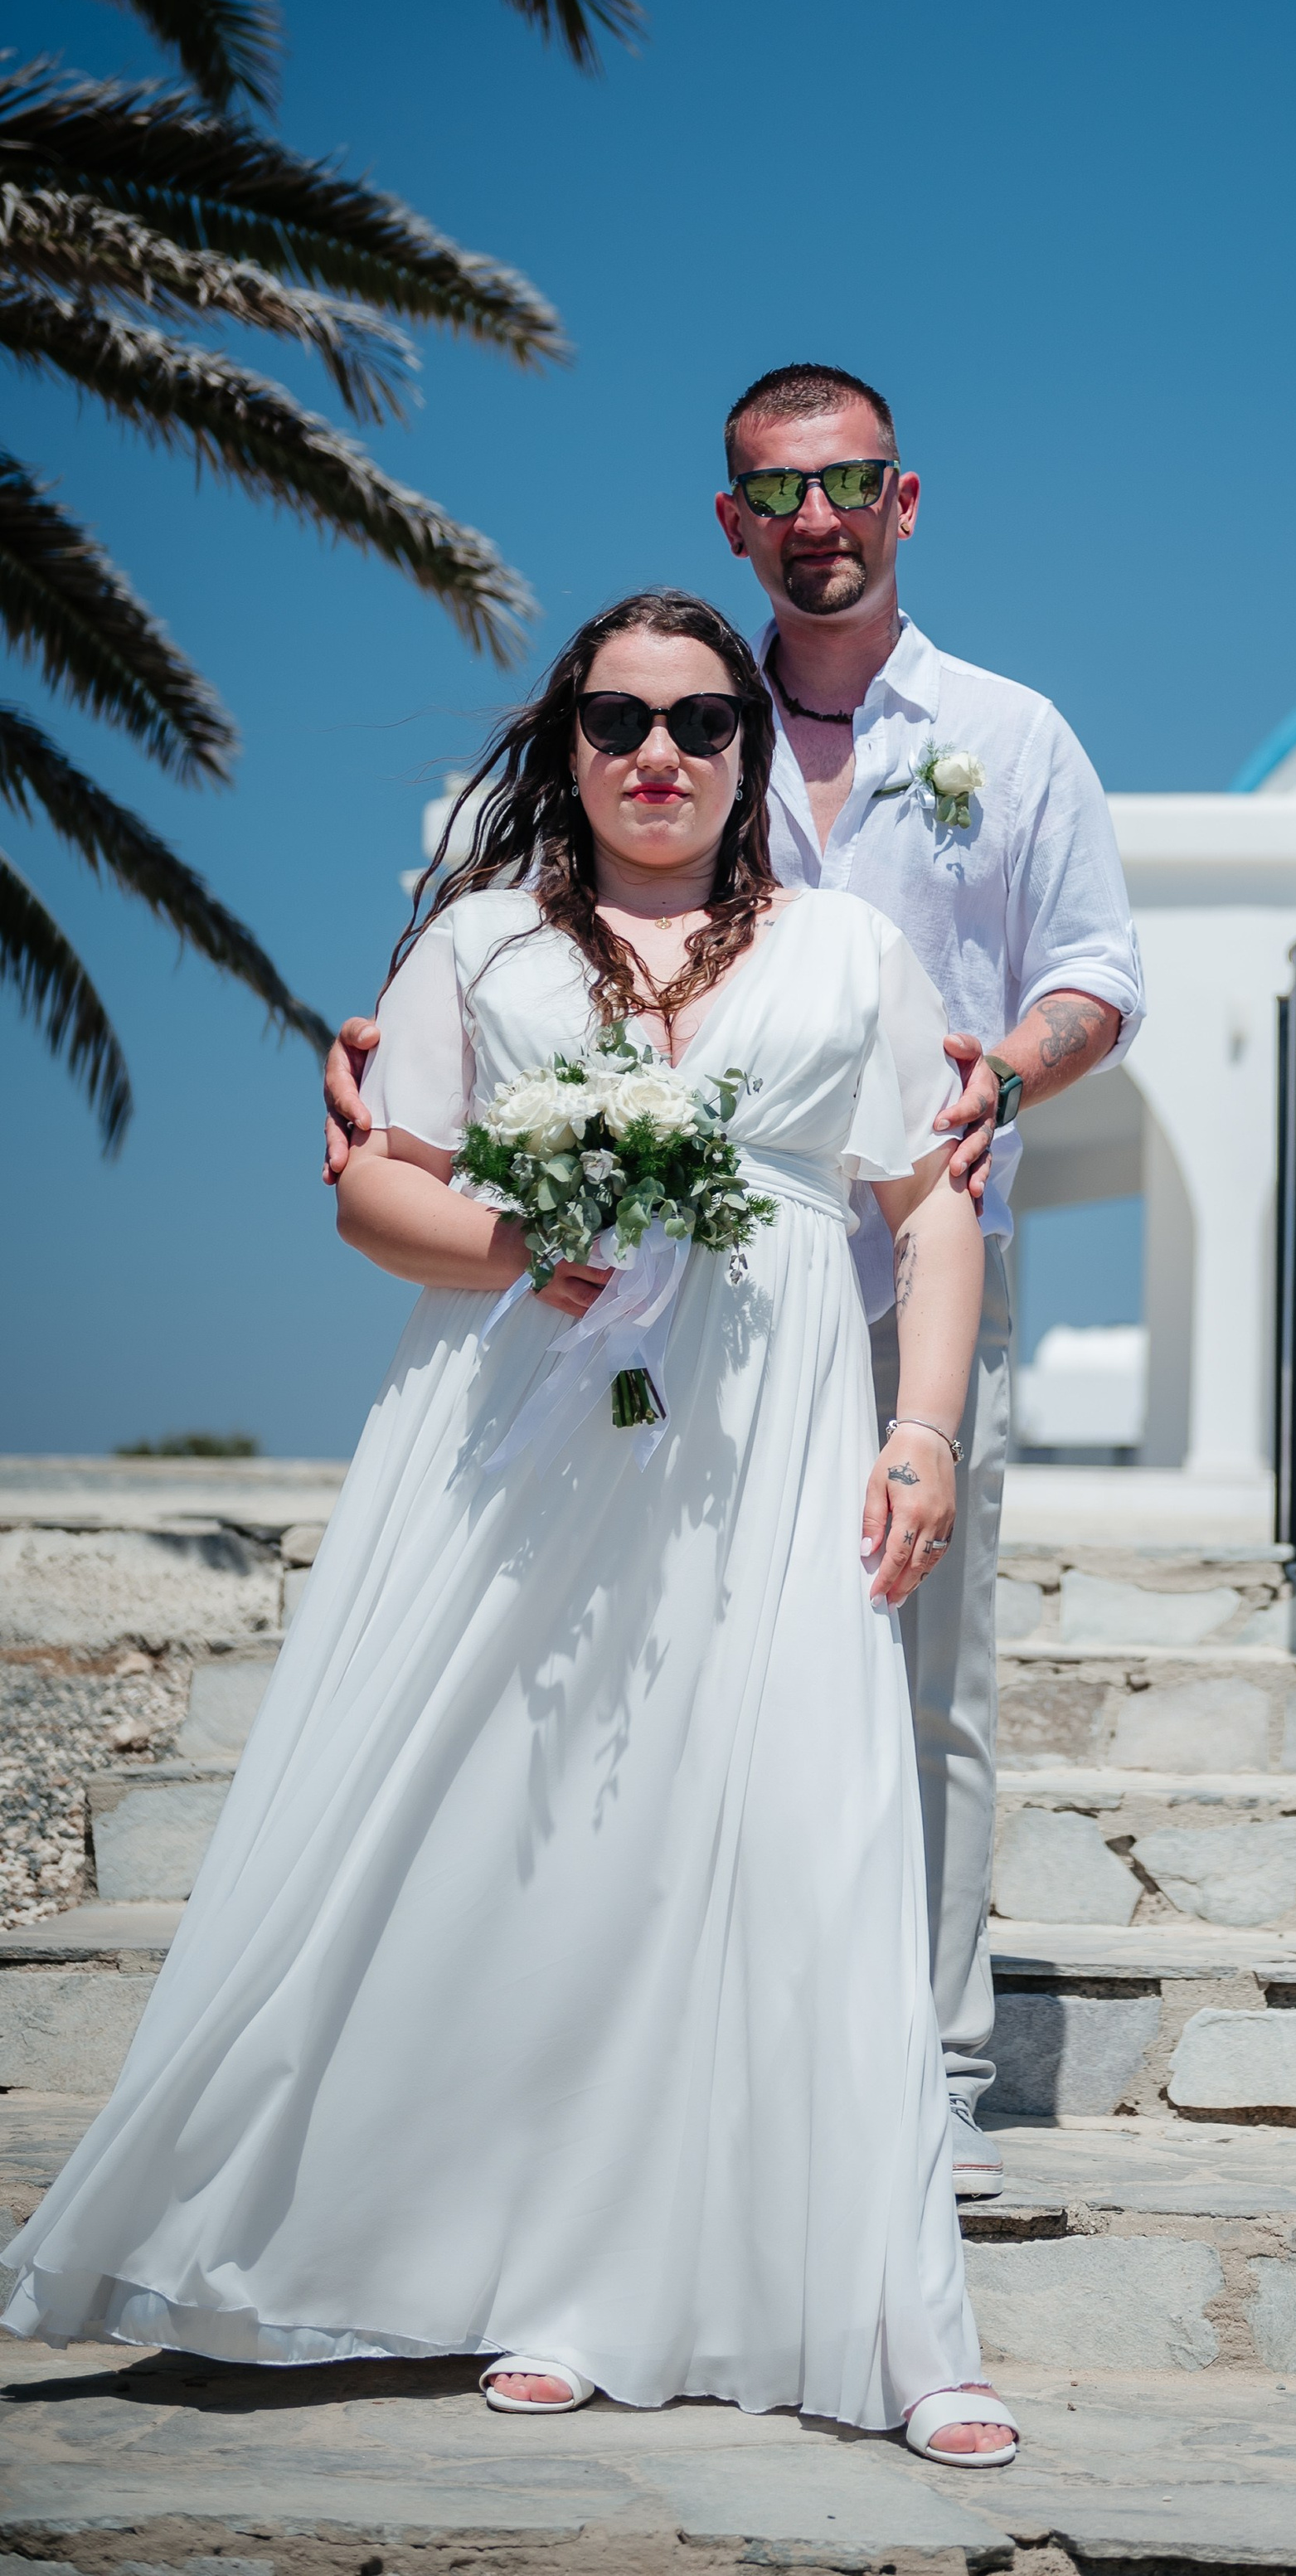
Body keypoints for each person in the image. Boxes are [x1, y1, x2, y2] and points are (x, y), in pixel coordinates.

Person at [4, 592, 1017, 2461]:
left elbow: (928, 1209)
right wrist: (520, 1239)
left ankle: (895, 2320)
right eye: (618, 716)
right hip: (530, 1437)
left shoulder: (855, 950)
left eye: (703, 720)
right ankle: (554, 2279)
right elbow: (374, 1191)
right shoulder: (479, 945)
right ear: (563, 740)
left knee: (812, 1818)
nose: (661, 753)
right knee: (555, 1828)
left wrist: (926, 1432)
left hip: (775, 1438)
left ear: (744, 750)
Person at [325, 366, 1144, 2199]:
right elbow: (498, 917)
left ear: (906, 497)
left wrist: (1000, 1073)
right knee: (652, 1639)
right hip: (657, 1288)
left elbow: (1097, 968)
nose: (818, 518)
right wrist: (381, 1046)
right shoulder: (671, 707)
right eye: (779, 492)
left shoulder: (1009, 735)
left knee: (924, 1667)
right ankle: (646, 2049)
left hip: (914, 1251)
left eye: (850, 483)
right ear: (732, 519)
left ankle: (926, 2064)